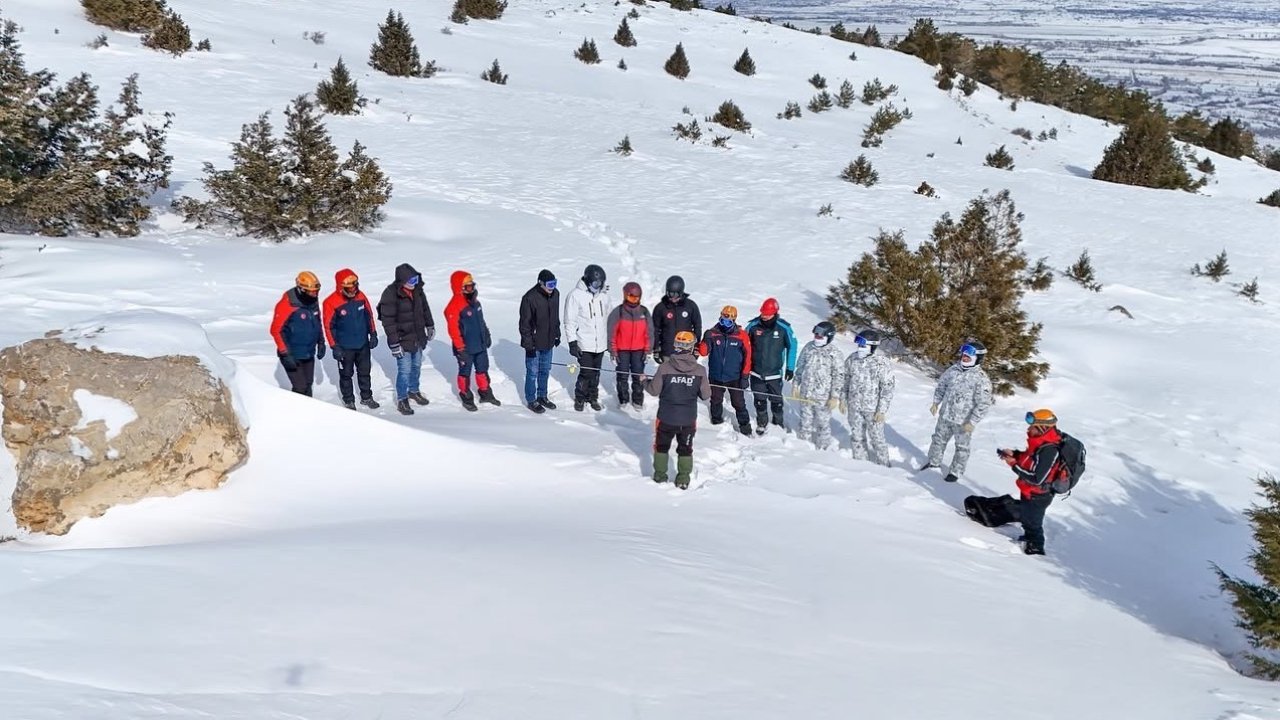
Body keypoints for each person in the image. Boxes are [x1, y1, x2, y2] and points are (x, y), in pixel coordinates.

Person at [644, 330, 710, 489]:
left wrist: (644, 381)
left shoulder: (665, 368)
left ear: (676, 346)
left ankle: (660, 476)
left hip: (666, 418)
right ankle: (683, 479)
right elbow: (706, 395)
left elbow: (654, 390)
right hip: (687, 420)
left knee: (661, 447)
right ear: (691, 347)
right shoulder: (700, 371)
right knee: (685, 449)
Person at [998, 409, 1066, 556]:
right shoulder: (1039, 442)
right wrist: (1015, 454)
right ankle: (1028, 538)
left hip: (1039, 495)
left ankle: (1035, 551)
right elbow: (1030, 459)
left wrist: (1014, 465)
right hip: (1028, 490)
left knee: (1034, 524)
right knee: (1027, 518)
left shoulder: (1050, 450)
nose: (1028, 429)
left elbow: (1037, 478)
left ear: (1043, 428)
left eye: (1032, 426)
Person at [923, 340, 993, 483]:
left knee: (962, 447)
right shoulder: (953, 370)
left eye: (969, 356)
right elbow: (941, 386)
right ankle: (933, 463)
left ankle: (955, 472)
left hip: (963, 422)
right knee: (938, 440)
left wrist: (973, 421)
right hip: (946, 415)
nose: (964, 357)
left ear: (977, 358)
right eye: (964, 355)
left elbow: (983, 403)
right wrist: (936, 402)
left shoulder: (981, 378)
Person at [378, 263, 435, 416]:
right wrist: (395, 343)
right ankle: (402, 399)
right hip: (402, 340)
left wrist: (430, 325)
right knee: (404, 370)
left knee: (416, 366)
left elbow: (425, 309)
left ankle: (414, 391)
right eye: (411, 282)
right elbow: (388, 322)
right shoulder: (390, 294)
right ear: (402, 281)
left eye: (416, 280)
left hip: (417, 336)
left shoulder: (417, 291)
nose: (414, 284)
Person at [322, 269, 380, 411]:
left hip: (362, 344)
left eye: (355, 287)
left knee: (364, 372)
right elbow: (328, 327)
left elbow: (369, 316)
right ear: (341, 287)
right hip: (344, 347)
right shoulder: (330, 302)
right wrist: (334, 346)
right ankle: (349, 400)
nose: (353, 291)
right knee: (346, 374)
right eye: (350, 288)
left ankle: (366, 397)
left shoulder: (361, 297)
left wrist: (373, 334)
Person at [444, 270, 499, 411]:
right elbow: (453, 330)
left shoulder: (476, 303)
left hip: (479, 346)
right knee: (465, 373)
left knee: (482, 369)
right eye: (468, 286)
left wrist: (486, 335)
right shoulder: (454, 306)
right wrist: (460, 348)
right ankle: (466, 396)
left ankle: (485, 393)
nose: (472, 289)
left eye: (472, 285)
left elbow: (481, 322)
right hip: (465, 348)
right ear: (460, 288)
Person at [839, 328, 895, 466]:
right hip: (854, 407)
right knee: (857, 437)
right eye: (859, 345)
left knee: (877, 439)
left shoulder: (881, 363)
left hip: (873, 410)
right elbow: (845, 379)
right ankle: (861, 465)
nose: (860, 348)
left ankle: (884, 466)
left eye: (863, 346)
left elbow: (887, 388)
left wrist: (881, 410)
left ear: (872, 346)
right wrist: (843, 399)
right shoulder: (852, 359)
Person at [744, 297, 796, 434]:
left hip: (774, 373)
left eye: (768, 314)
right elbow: (744, 345)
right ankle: (762, 423)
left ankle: (778, 424)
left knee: (776, 401)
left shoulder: (784, 328)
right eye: (763, 313)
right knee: (759, 400)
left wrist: (790, 368)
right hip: (756, 372)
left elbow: (793, 346)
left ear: (775, 313)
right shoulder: (753, 326)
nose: (764, 316)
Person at [698, 306, 753, 436]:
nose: (725, 324)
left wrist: (745, 376)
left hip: (735, 377)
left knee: (739, 403)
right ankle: (716, 424)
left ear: (734, 320)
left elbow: (748, 356)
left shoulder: (741, 335)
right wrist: (705, 340)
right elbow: (703, 352)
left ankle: (745, 428)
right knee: (716, 400)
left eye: (728, 321)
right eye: (723, 320)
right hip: (716, 375)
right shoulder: (713, 333)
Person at [563, 264, 610, 411]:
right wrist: (572, 342)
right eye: (596, 283)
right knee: (586, 372)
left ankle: (592, 397)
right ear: (588, 280)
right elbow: (569, 321)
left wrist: (609, 339)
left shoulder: (604, 296)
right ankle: (580, 397)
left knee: (596, 372)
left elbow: (609, 318)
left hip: (600, 343)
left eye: (601, 283)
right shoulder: (575, 295)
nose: (598, 286)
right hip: (584, 342)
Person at [270, 271, 325, 396]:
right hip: (292, 354)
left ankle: (309, 412)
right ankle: (296, 412)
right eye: (311, 291)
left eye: (317, 290)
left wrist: (321, 342)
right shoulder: (287, 304)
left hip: (308, 352)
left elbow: (317, 322)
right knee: (300, 387)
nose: (315, 294)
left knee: (308, 385)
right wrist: (285, 353)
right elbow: (276, 329)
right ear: (302, 290)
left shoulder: (313, 301)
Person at [792, 321, 845, 450]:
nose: (817, 338)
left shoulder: (835, 353)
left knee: (822, 424)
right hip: (806, 393)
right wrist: (795, 384)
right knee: (805, 422)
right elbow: (800, 367)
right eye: (815, 335)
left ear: (829, 337)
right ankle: (803, 447)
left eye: (820, 336)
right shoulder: (809, 347)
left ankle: (823, 449)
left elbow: (839, 376)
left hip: (823, 397)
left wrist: (835, 396)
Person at [518, 269, 561, 414]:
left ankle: (542, 396)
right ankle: (531, 400)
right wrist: (529, 346)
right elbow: (524, 325)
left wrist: (557, 334)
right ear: (540, 283)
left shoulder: (556, 294)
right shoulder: (529, 298)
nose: (552, 287)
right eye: (549, 284)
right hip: (534, 344)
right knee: (532, 373)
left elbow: (555, 317)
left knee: (545, 371)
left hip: (548, 341)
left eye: (554, 283)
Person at [607, 281, 653, 410]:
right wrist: (613, 351)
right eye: (631, 297)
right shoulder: (619, 312)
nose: (634, 300)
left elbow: (649, 332)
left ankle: (638, 400)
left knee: (638, 375)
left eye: (636, 298)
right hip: (622, 350)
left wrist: (648, 350)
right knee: (622, 375)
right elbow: (612, 332)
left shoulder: (644, 312)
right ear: (625, 295)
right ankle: (623, 399)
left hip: (639, 350)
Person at [651, 275, 702, 365]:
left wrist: (696, 346)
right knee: (667, 376)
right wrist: (656, 348)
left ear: (681, 292)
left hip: (686, 351)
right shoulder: (661, 307)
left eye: (676, 294)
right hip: (667, 351)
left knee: (685, 376)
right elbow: (655, 329)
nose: (673, 297)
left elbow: (697, 327)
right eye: (670, 294)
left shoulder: (690, 306)